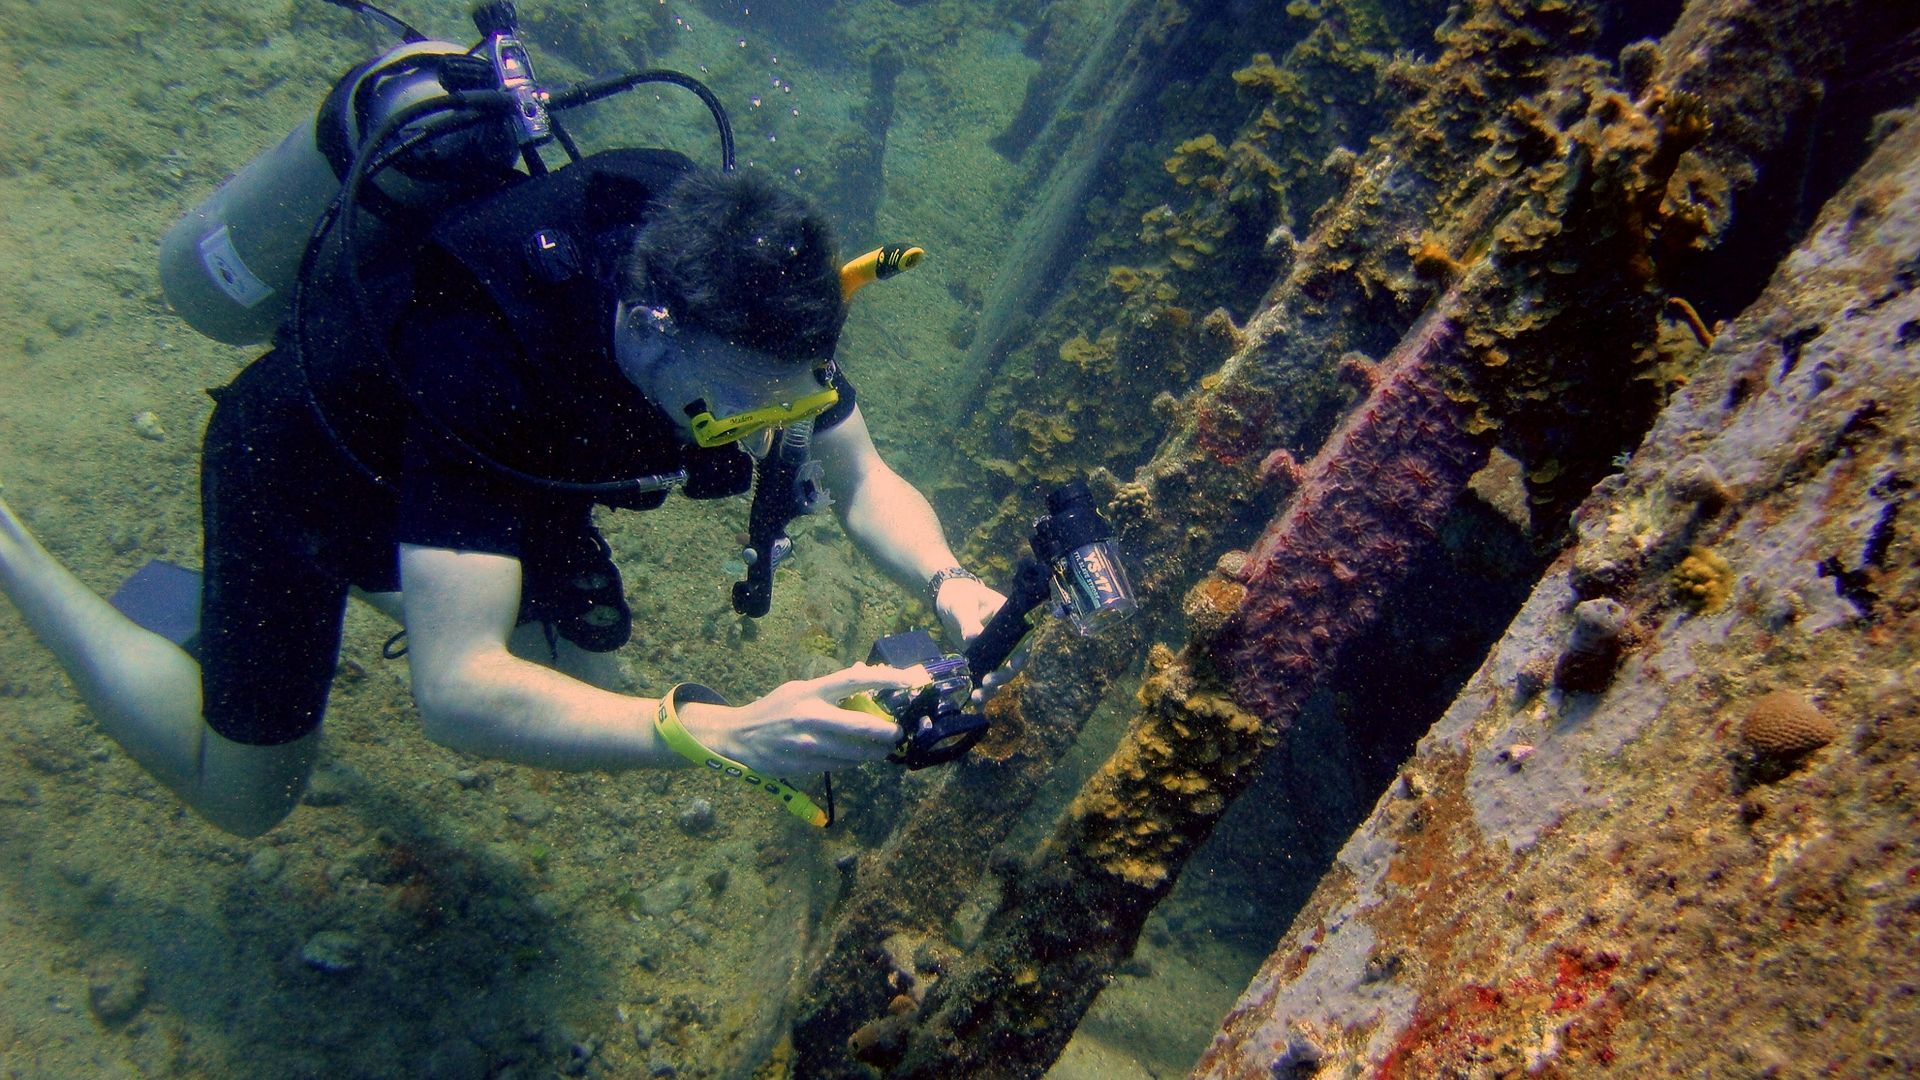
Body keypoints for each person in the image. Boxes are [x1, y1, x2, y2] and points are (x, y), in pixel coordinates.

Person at [0, 153, 1006, 837]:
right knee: (252, 799)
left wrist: (951, 580)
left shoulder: (737, 297)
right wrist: (726, 733)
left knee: (576, 672)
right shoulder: (486, 360)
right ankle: (16, 553)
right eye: (743, 409)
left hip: (480, 474)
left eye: (802, 392)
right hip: (310, 478)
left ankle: (421, 581)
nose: (770, 425)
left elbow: (863, 476)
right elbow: (458, 697)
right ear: (651, 326)